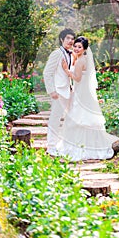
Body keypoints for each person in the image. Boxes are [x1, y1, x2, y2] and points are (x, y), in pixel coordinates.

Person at [56, 36, 119, 161]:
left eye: (79, 47)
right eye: (75, 46)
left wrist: (66, 70)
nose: (76, 48)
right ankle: (91, 146)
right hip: (83, 93)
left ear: (85, 49)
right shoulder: (83, 59)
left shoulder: (80, 61)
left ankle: (79, 148)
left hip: (81, 94)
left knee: (79, 118)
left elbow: (77, 78)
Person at [43, 28, 76, 156]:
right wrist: (51, 91)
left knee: (68, 119)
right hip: (58, 92)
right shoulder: (57, 53)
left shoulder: (72, 54)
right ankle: (51, 146)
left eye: (72, 39)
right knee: (55, 119)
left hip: (69, 91)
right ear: (62, 39)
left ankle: (62, 144)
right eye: (68, 38)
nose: (70, 41)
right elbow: (47, 73)